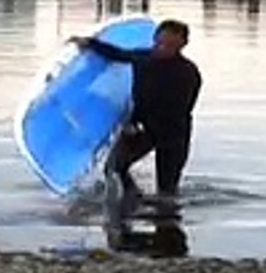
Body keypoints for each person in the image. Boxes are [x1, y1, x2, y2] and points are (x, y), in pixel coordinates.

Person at [71, 19, 202, 209]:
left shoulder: (188, 73)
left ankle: (164, 223)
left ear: (182, 45)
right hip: (143, 127)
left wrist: (134, 121)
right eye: (160, 43)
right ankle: (132, 198)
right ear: (155, 38)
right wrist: (90, 44)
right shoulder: (143, 58)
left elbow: (177, 108)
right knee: (113, 167)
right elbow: (117, 54)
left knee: (167, 193)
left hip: (173, 134)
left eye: (170, 45)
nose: (163, 48)